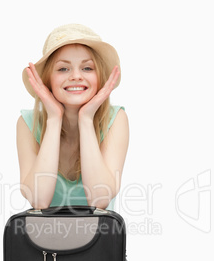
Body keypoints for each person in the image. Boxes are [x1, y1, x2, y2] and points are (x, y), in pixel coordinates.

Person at [16, 24, 129, 211]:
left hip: (99, 238)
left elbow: (99, 200)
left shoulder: (116, 119)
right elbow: (39, 201)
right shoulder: (27, 123)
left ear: (99, 76)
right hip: (43, 238)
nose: (76, 76)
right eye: (63, 69)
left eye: (87, 68)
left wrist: (85, 119)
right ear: (47, 80)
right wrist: (53, 120)